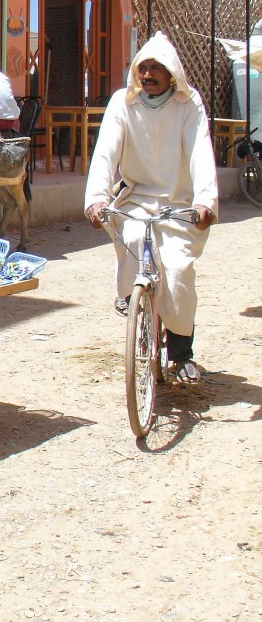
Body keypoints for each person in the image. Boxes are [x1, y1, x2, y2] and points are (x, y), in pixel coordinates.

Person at [84, 31, 218, 385]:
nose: (148, 74)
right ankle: (133, 299)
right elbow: (105, 152)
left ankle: (181, 353)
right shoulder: (122, 104)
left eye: (157, 68)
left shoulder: (188, 106)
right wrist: (97, 198)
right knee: (130, 244)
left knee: (176, 271)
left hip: (178, 203)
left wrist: (205, 201)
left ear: (172, 72)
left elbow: (201, 154)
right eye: (143, 67)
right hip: (137, 200)